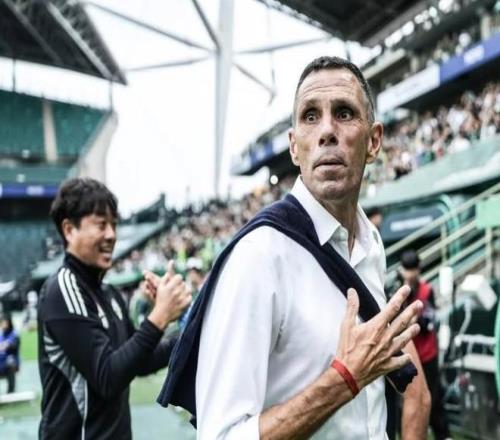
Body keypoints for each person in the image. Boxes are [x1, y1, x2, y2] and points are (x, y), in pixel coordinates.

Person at [159, 56, 430, 439]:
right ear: (293, 146)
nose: (327, 131)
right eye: (310, 116)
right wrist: (343, 379)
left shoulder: (371, 243)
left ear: (373, 142)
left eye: (344, 113)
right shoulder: (258, 257)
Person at [37, 178, 191, 439]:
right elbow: (107, 378)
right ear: (69, 230)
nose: (111, 235)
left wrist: (187, 331)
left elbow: (141, 362)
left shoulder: (109, 293)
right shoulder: (62, 290)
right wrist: (159, 316)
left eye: (114, 225)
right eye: (101, 224)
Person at [400, 250, 452, 440]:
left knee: (433, 400)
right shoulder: (399, 291)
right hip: (409, 357)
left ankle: (443, 436)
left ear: (418, 269)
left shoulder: (426, 290)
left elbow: (430, 321)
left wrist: (416, 320)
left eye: (412, 269)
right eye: (406, 269)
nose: (410, 274)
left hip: (427, 355)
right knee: (409, 402)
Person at [0, 314, 20, 393]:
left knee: (10, 364)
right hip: (1, 363)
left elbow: (15, 347)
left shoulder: (14, 335)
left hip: (11, 363)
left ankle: (11, 392)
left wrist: (6, 345)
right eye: (1, 323)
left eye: (4, 322)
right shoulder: (1, 335)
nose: (3, 325)